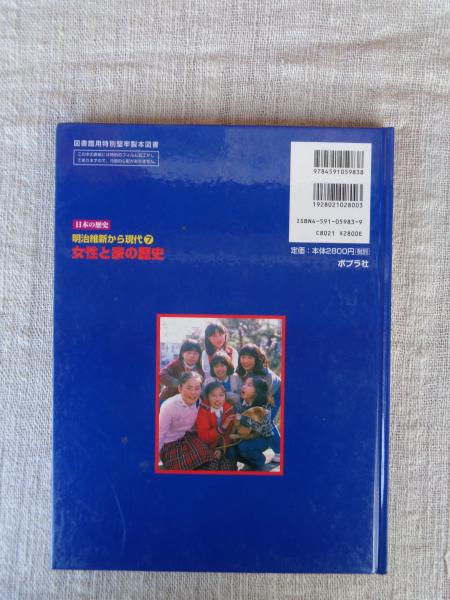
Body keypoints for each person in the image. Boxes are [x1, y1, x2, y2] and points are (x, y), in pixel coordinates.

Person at [158, 372, 214, 470]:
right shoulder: (169, 406)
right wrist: (156, 459)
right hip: (168, 443)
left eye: (197, 388)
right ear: (180, 388)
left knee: (206, 455)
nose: (193, 393)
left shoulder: (199, 402)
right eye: (189, 388)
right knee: (179, 467)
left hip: (187, 437)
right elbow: (160, 434)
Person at [236, 344, 281, 463]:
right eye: (243, 357)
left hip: (275, 393)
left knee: (267, 419)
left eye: (250, 357)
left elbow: (264, 398)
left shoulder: (267, 375)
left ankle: (280, 450)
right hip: (260, 396)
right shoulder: (245, 372)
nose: (246, 361)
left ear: (257, 358)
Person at [227, 376, 274, 470]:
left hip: (262, 437)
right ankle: (250, 463)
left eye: (249, 385)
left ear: (257, 391)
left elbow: (257, 428)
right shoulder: (241, 404)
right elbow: (238, 422)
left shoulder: (264, 408)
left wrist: (241, 418)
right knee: (230, 450)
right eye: (244, 384)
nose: (243, 386)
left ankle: (259, 462)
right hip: (245, 436)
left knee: (245, 447)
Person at [196, 381, 237, 471]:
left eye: (221, 395)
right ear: (207, 397)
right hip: (207, 445)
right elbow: (203, 436)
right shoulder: (203, 411)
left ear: (225, 396)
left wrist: (221, 449)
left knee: (230, 457)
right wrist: (222, 427)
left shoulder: (229, 409)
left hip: (224, 445)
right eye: (213, 395)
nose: (218, 399)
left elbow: (229, 434)